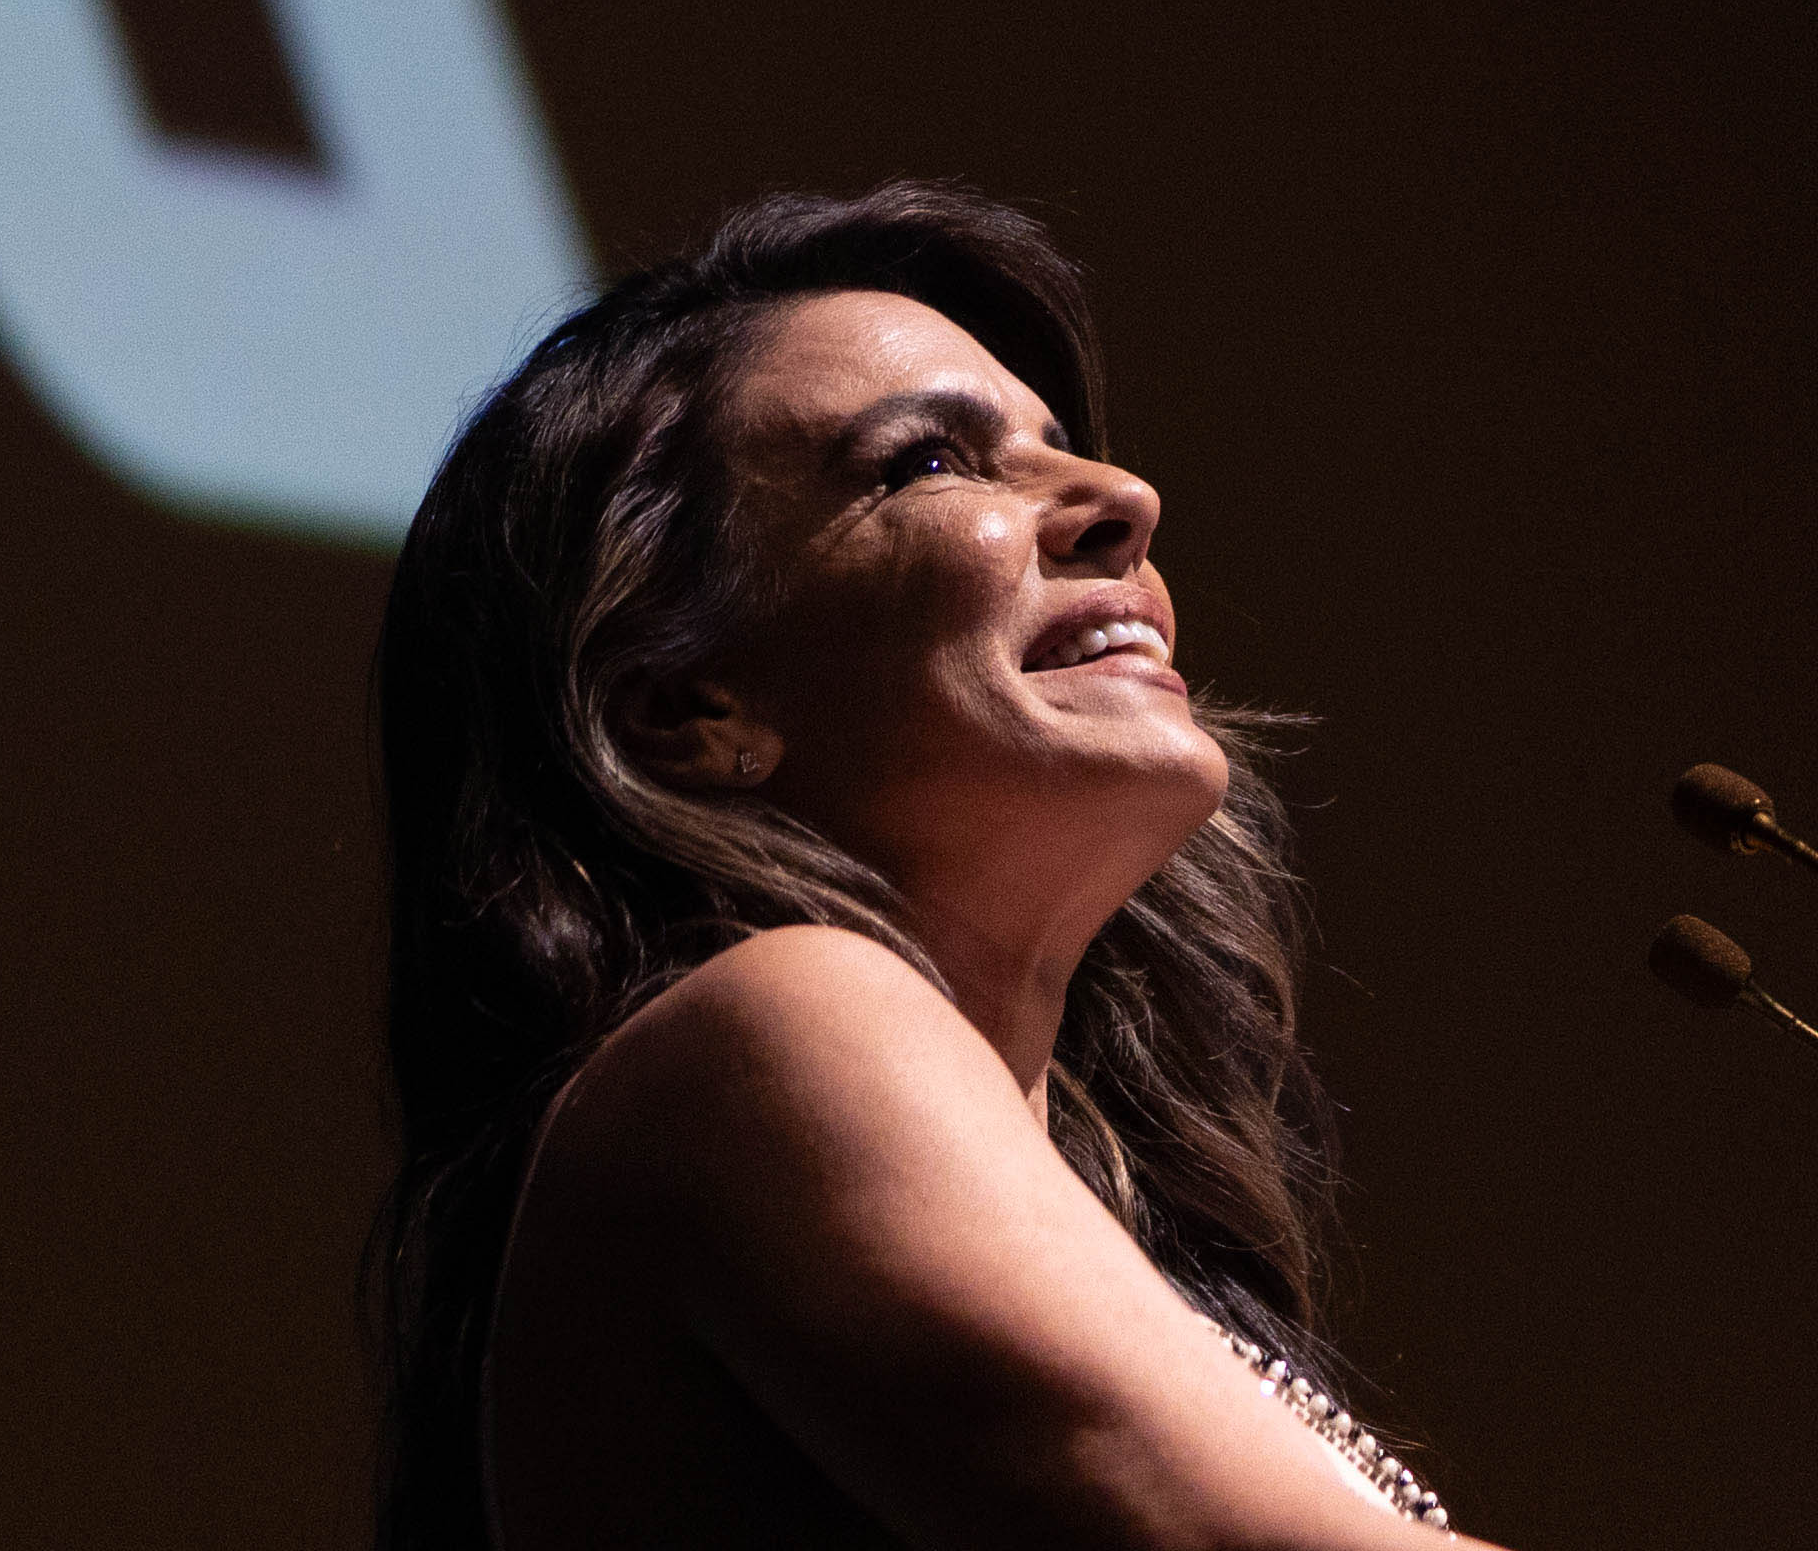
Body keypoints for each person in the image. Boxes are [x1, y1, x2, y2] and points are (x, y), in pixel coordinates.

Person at [372, 184, 1496, 1547]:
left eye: (1058, 443)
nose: (1123, 502)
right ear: (685, 709)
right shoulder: (769, 1026)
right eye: (927, 464)